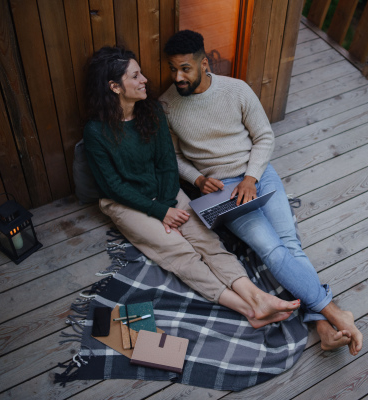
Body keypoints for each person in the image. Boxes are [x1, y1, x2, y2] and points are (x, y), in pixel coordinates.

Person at [159, 30, 363, 355]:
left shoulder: (236, 90)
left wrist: (252, 177)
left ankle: (322, 324)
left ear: (204, 63)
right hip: (223, 190)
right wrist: (197, 179)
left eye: (185, 68)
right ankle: (334, 312)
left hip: (260, 175)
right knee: (271, 250)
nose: (177, 77)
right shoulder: (167, 106)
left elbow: (264, 137)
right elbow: (174, 157)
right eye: (172, 68)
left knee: (290, 242)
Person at [83, 46, 300, 329]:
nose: (144, 79)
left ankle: (257, 296)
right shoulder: (96, 132)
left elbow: (166, 163)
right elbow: (111, 186)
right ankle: (247, 309)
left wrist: (169, 203)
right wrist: (160, 211)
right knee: (180, 252)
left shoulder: (152, 111)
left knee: (207, 241)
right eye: (135, 76)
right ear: (114, 87)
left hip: (166, 191)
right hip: (126, 202)